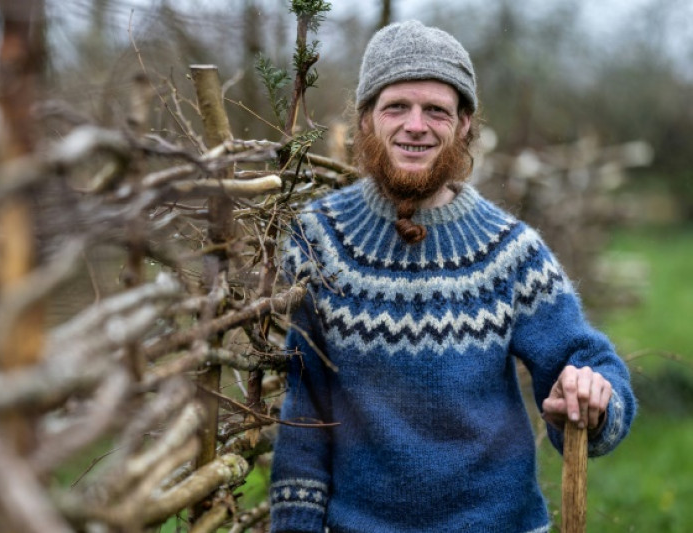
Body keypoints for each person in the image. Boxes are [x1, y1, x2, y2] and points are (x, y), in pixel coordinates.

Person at [269, 20, 636, 533]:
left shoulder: (508, 251)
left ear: (464, 124)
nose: (415, 125)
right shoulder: (319, 240)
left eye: (436, 110)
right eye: (396, 106)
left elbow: (584, 358)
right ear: (366, 119)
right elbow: (304, 404)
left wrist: (594, 397)